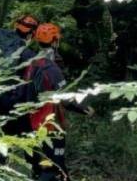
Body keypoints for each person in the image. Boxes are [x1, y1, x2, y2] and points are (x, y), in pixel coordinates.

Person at [25, 23, 94, 181]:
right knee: (53, 169)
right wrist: (84, 109)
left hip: (32, 123)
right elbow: (64, 97)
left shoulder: (31, 63)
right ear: (55, 41)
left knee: (41, 168)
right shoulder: (51, 68)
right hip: (50, 125)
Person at [0, 15, 39, 136]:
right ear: (32, 34)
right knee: (6, 136)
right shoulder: (27, 53)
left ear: (16, 25)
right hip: (7, 101)